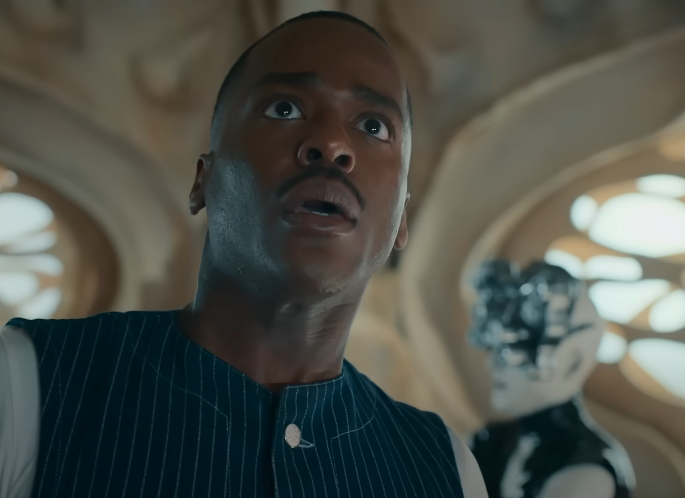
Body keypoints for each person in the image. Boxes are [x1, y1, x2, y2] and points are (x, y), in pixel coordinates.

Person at [0, 11, 488, 498]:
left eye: (374, 126)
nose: (332, 144)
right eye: (285, 109)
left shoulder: (445, 471)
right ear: (203, 181)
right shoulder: (27, 386)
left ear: (401, 219)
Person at [467, 260, 635, 498]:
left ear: (572, 362)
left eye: (516, 350)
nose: (492, 363)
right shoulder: (491, 443)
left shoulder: (586, 473)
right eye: (494, 347)